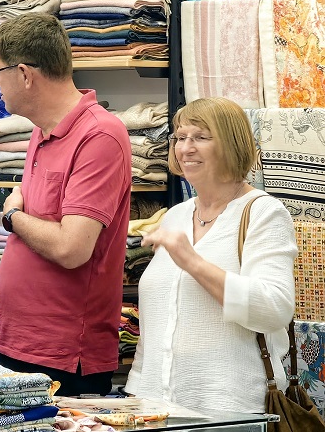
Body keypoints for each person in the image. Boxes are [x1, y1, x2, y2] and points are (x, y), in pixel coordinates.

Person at [0, 12, 131, 397]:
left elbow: (71, 248)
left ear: (26, 74)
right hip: (15, 343)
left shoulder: (99, 136)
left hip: (59, 356)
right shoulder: (41, 129)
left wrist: (13, 217)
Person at [126, 97, 297, 415]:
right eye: (179, 137)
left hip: (229, 413)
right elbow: (156, 327)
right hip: (157, 414)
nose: (185, 148)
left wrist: (191, 261)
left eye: (201, 137)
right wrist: (136, 399)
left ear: (231, 145)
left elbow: (274, 309)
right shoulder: (175, 216)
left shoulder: (262, 213)